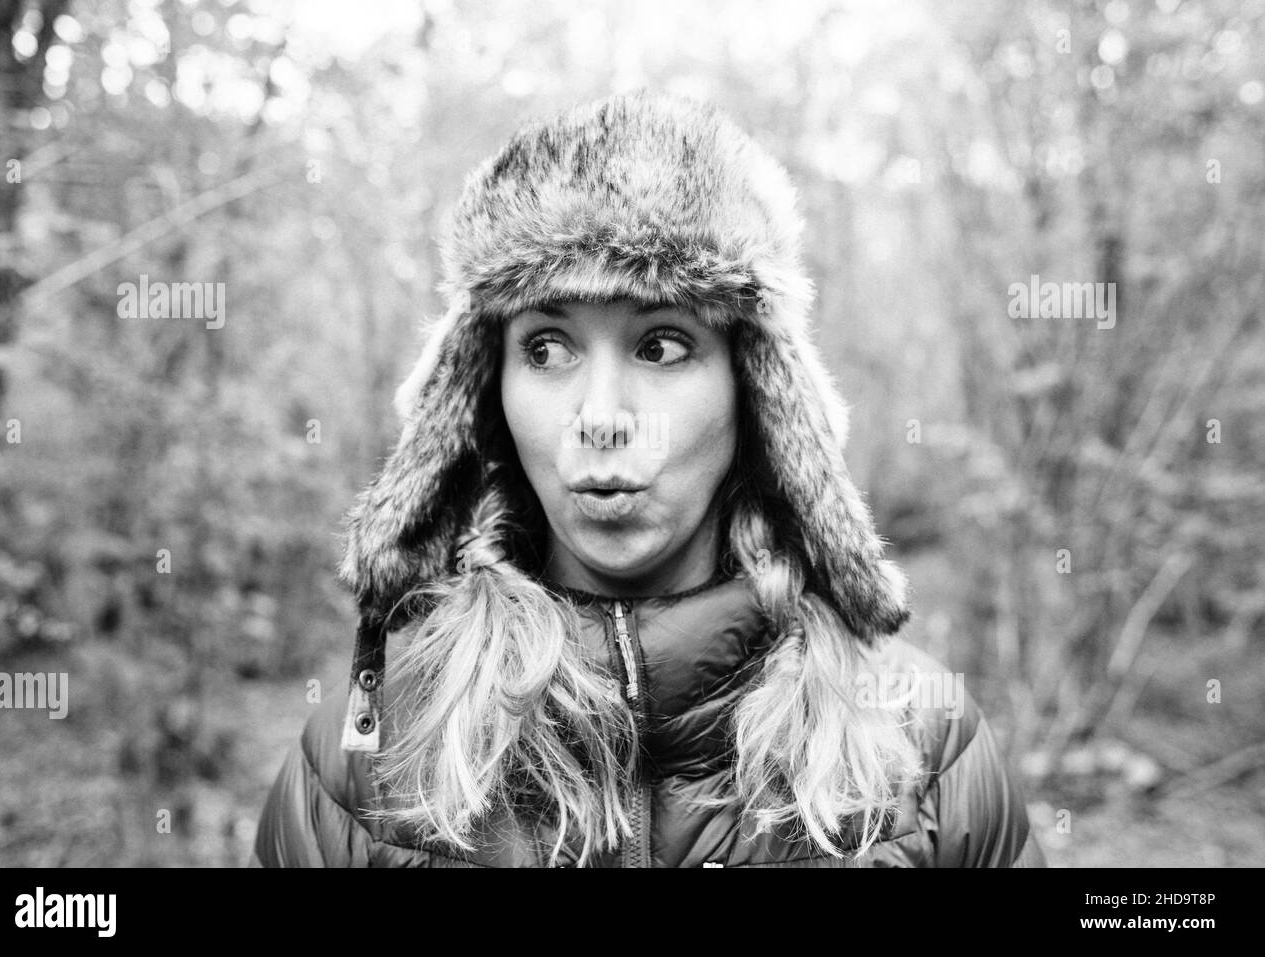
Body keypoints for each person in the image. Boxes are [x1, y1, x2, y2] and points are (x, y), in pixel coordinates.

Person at [251, 89, 1046, 868]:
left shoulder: (925, 746)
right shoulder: (364, 754)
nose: (600, 415)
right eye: (547, 348)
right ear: (484, 389)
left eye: (661, 346)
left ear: (757, 391)